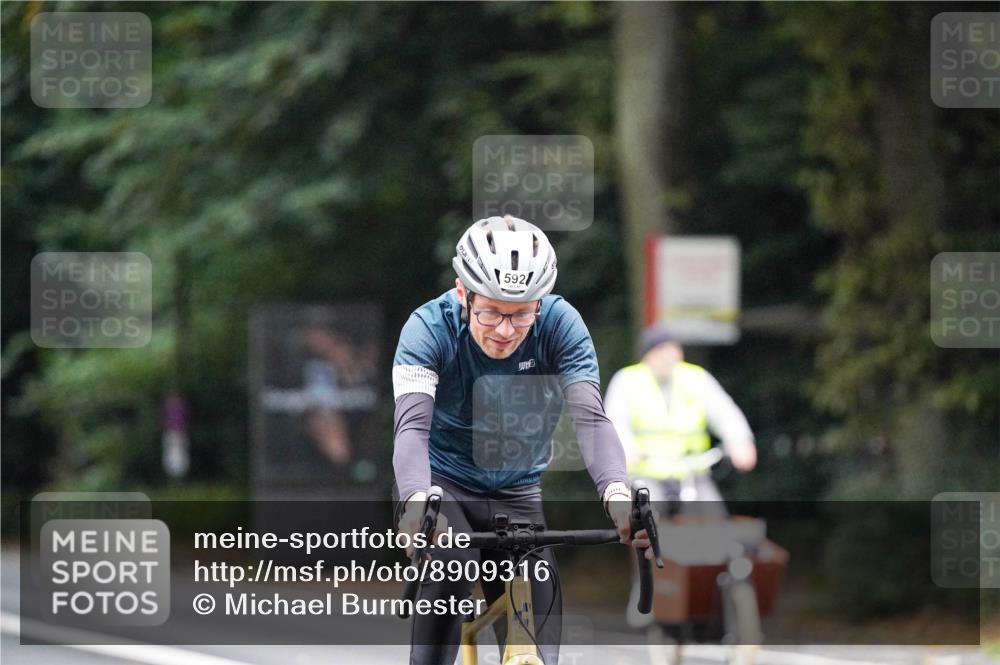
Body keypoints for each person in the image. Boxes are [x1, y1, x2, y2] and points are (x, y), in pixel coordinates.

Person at [392, 215, 648, 665]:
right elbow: (411, 428)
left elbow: (590, 418)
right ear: (463, 293)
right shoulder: (427, 329)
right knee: (452, 566)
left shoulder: (561, 324)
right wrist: (415, 502)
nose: (506, 330)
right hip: (440, 484)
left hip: (517, 490)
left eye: (522, 313)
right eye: (491, 312)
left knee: (539, 643)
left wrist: (617, 494)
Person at [605, 324, 757, 628]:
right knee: (646, 525)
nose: (670, 355)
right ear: (648, 354)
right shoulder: (628, 381)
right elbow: (614, 421)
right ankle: (644, 583)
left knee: (717, 523)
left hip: (692, 472)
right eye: (662, 350)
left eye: (674, 348)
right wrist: (627, 451)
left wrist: (741, 441)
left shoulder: (695, 378)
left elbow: (724, 412)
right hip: (649, 474)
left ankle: (720, 587)